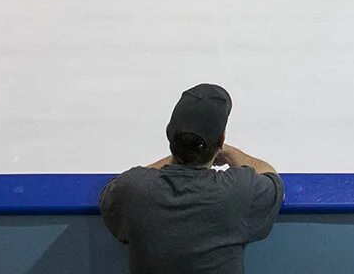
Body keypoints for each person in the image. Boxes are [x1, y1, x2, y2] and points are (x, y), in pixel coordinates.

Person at [100, 84, 284, 274]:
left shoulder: (133, 190)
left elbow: (115, 191)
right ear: (220, 140)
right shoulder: (239, 191)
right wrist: (229, 153)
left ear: (168, 134)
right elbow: (271, 177)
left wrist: (175, 158)